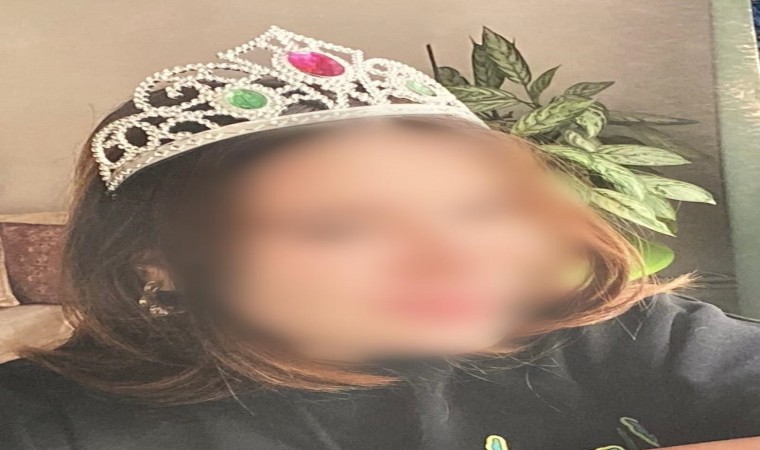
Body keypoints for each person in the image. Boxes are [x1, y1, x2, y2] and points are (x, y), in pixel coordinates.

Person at [1, 26, 758, 450]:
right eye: (344, 226)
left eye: (481, 210)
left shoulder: (610, 335)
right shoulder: (45, 421)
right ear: (159, 264)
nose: (458, 257)